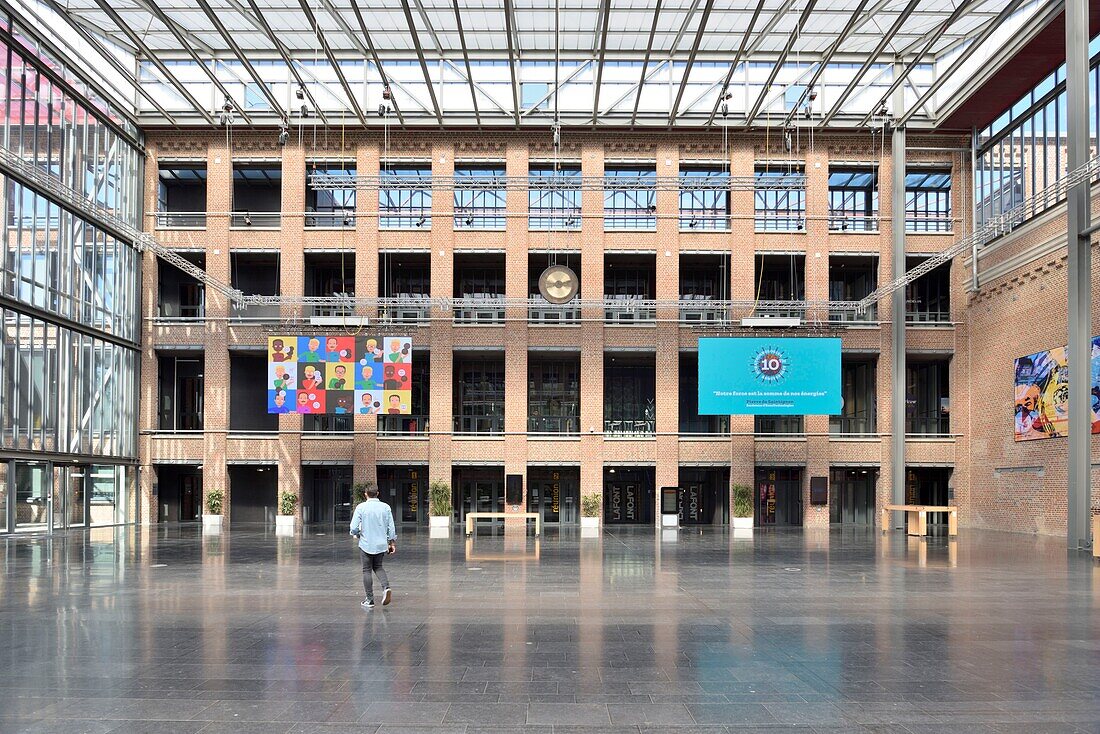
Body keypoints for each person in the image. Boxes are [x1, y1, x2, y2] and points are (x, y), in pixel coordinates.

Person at [349, 485, 396, 609]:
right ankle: (386, 587)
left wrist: (357, 534)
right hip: (381, 544)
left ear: (366, 494)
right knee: (378, 567)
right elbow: (391, 527)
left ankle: (369, 600)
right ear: (378, 493)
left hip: (366, 543)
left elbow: (353, 527)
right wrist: (391, 542)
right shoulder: (386, 507)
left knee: (366, 570)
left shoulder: (361, 507)